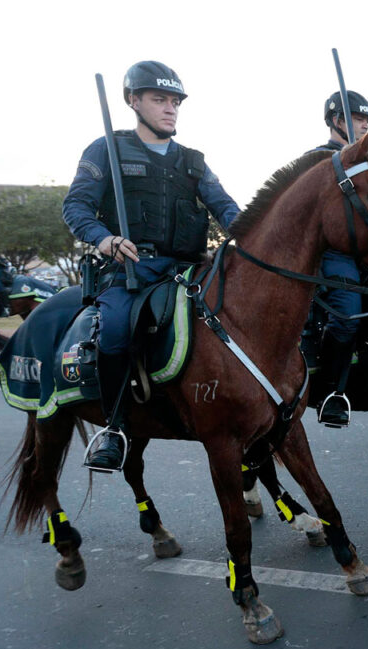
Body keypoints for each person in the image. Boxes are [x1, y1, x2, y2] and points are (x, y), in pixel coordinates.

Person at [63, 61, 240, 473]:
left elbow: (227, 209)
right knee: (116, 329)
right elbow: (75, 206)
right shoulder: (105, 148)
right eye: (160, 99)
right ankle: (115, 427)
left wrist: (248, 235)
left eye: (174, 101)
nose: (170, 108)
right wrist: (104, 239)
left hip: (189, 268)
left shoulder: (194, 161)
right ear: (133, 101)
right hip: (132, 268)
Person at [312, 90, 368, 427]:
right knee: (348, 314)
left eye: (367, 120)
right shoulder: (317, 160)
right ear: (337, 121)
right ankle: (330, 391)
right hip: (332, 254)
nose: (365, 125)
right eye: (358, 118)